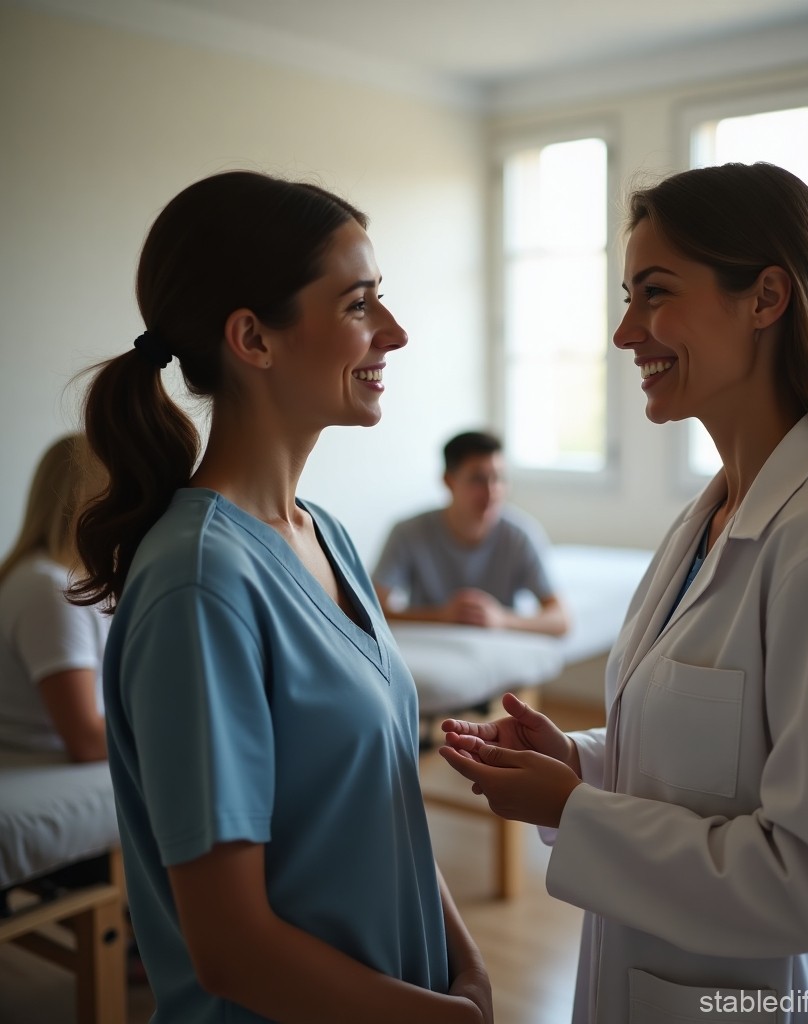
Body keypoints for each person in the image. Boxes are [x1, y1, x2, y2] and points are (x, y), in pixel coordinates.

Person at [439, 162, 808, 1023]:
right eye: (627, 296)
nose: (625, 330)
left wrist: (575, 812)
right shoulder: (712, 518)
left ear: (766, 298)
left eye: (654, 293)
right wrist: (580, 762)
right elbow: (721, 762)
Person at [68, 170, 491, 1024]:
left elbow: (382, 801)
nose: (396, 333)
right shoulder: (200, 583)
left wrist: (466, 968)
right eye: (360, 305)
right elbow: (231, 950)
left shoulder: (323, 533)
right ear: (253, 339)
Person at [373, 429, 569, 636]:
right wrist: (440, 617)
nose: (492, 490)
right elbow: (371, 610)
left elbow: (561, 620)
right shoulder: (408, 533)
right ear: (449, 480)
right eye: (478, 479)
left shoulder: (520, 535)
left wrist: (501, 619)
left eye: (499, 478)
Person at [0, 433, 108, 761]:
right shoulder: (51, 591)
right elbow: (86, 741)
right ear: (83, 498)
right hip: (46, 767)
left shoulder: (42, 578)